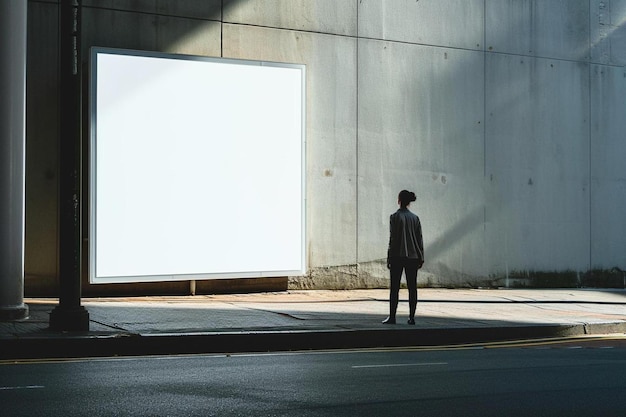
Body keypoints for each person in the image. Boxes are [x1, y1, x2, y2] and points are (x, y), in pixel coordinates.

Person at [383, 190, 424, 325]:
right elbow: (419, 239)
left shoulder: (394, 217)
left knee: (394, 288)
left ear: (399, 200)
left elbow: (393, 239)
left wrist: (389, 257)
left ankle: (392, 316)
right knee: (412, 288)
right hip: (413, 257)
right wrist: (421, 256)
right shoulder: (415, 218)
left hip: (397, 256)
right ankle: (411, 317)